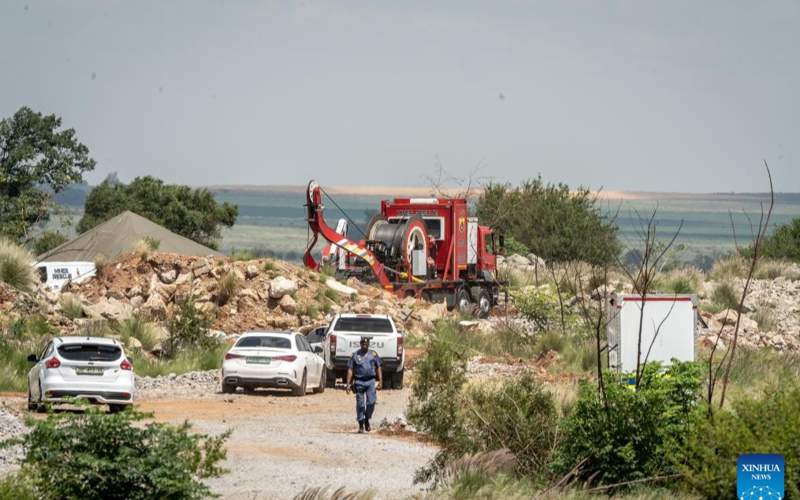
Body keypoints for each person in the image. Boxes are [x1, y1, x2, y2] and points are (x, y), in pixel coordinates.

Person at [345, 337, 382, 433]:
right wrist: (348, 384)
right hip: (359, 382)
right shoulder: (355, 355)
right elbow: (350, 369)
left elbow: (378, 367)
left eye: (366, 343)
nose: (364, 345)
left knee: (371, 402)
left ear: (368, 344)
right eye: (362, 343)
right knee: (360, 404)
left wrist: (381, 381)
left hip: (370, 381)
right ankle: (361, 424)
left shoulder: (373, 354)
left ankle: (367, 419)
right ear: (360, 344)